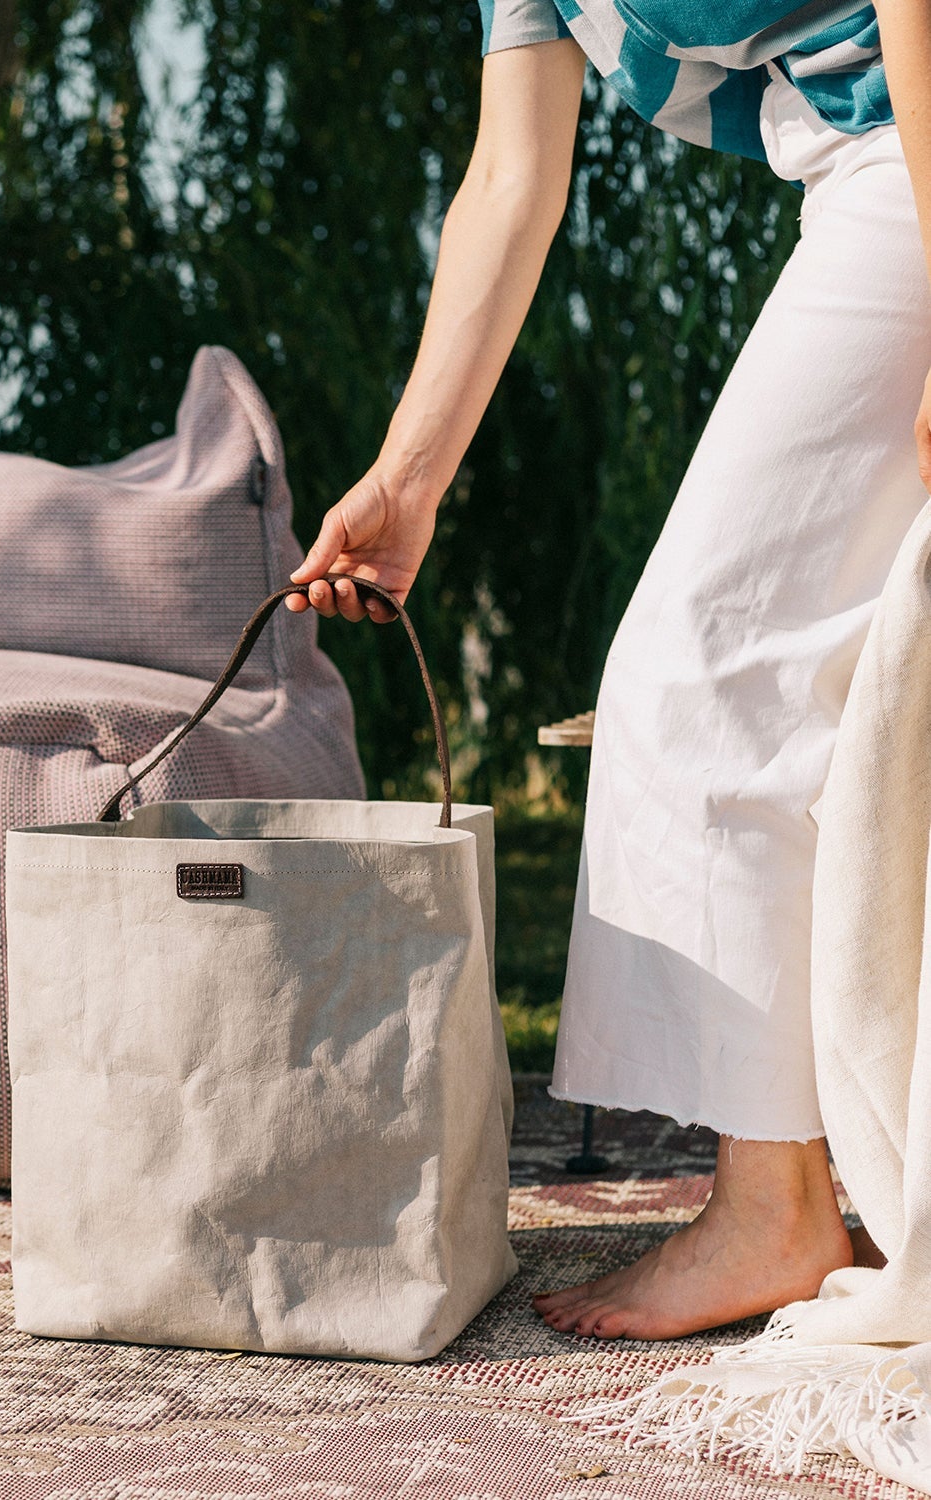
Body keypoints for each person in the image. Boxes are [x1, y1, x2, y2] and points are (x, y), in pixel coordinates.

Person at [287, 0, 931, 1340]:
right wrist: (408, 483)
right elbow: (511, 181)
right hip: (865, 176)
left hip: (915, 167)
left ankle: (776, 1210)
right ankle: (810, 1185)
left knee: (705, 668)